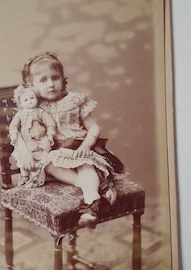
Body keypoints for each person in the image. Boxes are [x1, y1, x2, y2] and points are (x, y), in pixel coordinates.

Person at [17, 52, 125, 225]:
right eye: (43, 80)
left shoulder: (74, 100)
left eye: (55, 78)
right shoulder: (34, 107)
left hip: (78, 149)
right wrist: (24, 152)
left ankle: (92, 203)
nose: (51, 84)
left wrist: (85, 146)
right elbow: (20, 132)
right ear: (32, 86)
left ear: (63, 79)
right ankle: (99, 187)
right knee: (46, 163)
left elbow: (94, 128)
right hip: (58, 155)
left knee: (84, 163)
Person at [9, 85, 56, 187]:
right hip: (26, 142)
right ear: (20, 103)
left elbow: (50, 123)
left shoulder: (41, 112)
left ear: (36, 98)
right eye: (26, 100)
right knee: (22, 160)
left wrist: (50, 135)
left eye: (32, 98)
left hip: (40, 141)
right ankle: (25, 178)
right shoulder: (20, 114)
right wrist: (13, 134)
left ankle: (37, 177)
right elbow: (13, 126)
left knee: (40, 159)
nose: (30, 101)